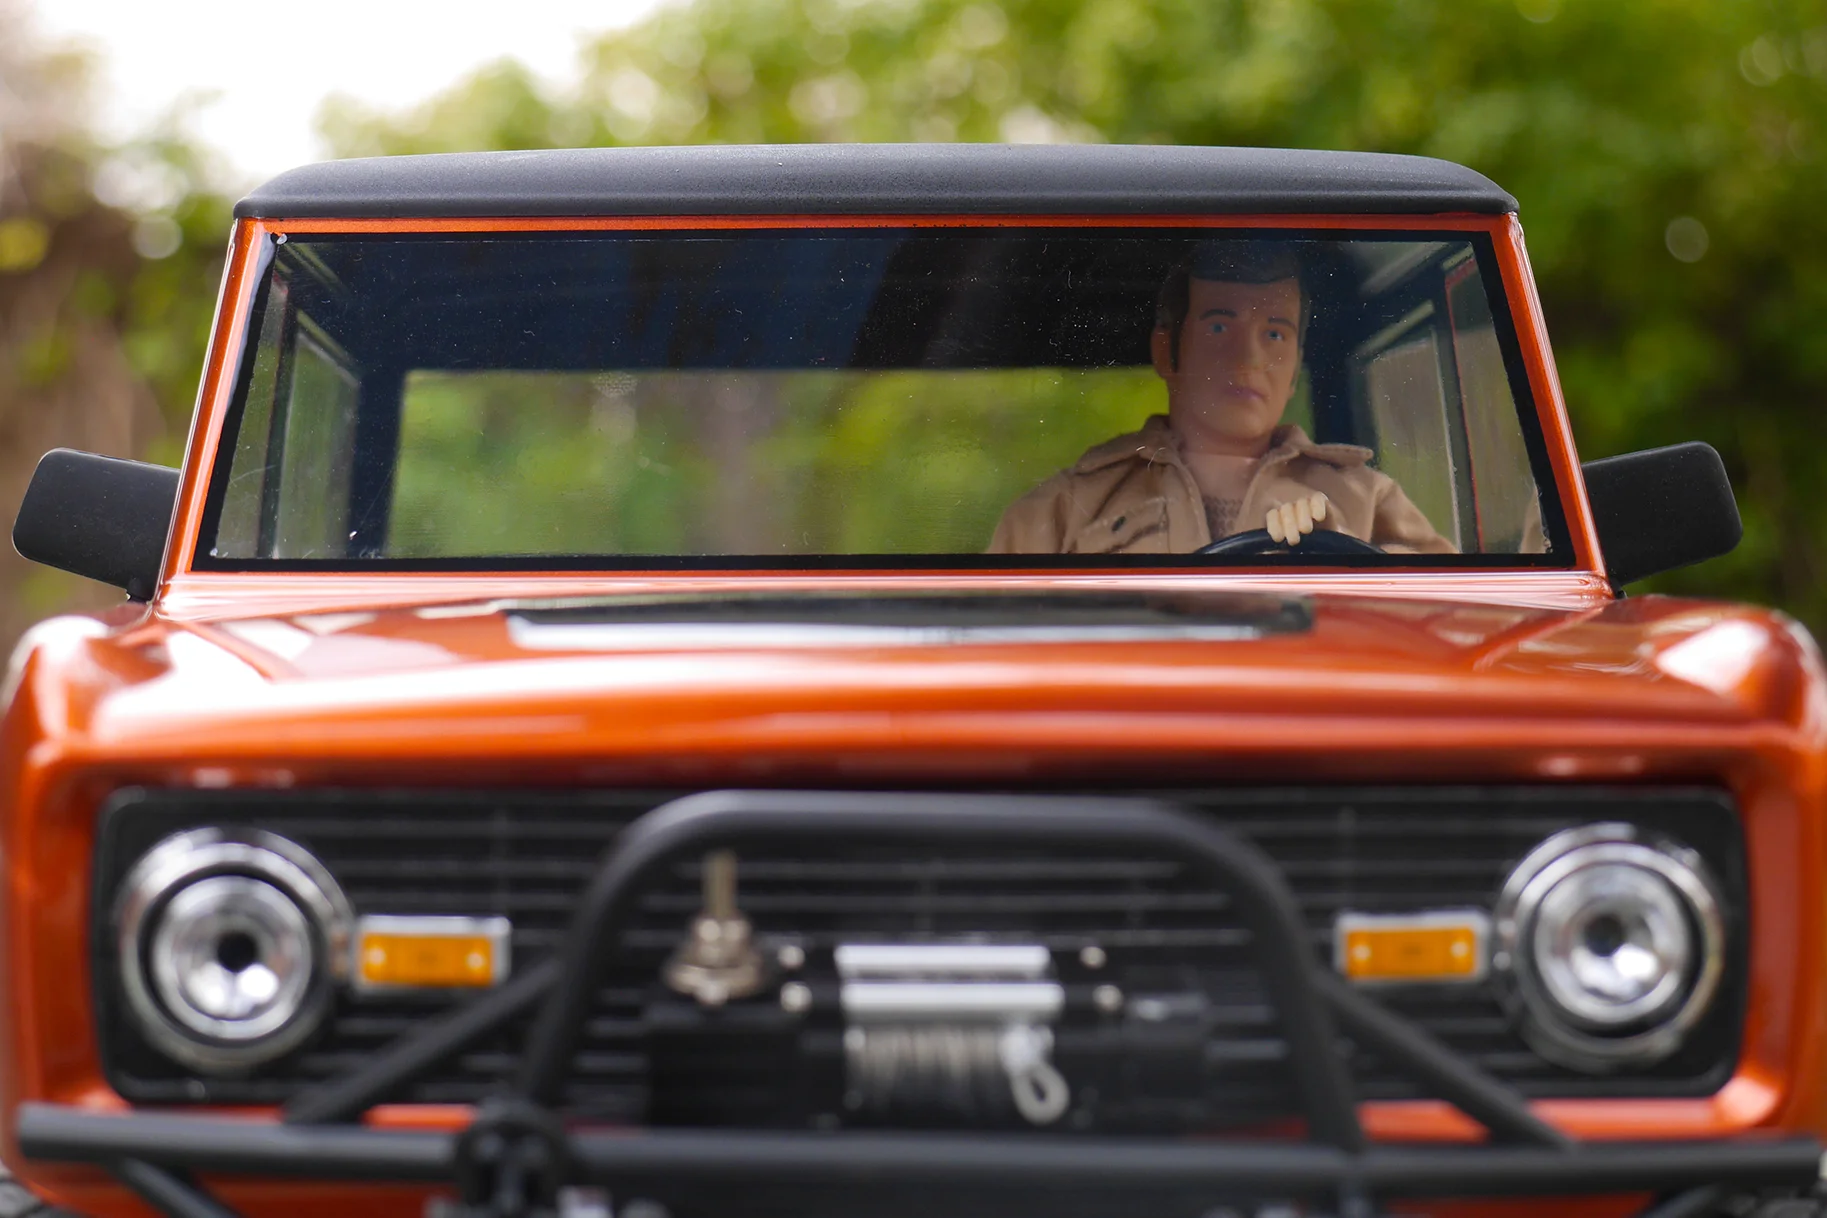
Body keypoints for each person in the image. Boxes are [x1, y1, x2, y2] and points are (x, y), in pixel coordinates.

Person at [988, 242, 1456, 556]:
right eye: (1218, 326)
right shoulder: (1063, 510)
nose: (1249, 357)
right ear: (1166, 351)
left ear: (1295, 368)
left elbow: (1450, 626)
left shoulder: (1369, 502)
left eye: (1275, 333)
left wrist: (1343, 560)